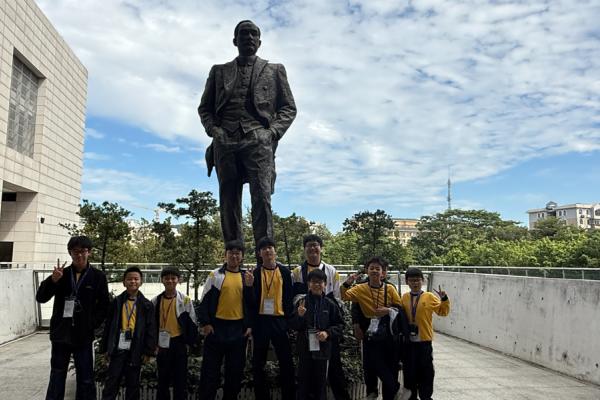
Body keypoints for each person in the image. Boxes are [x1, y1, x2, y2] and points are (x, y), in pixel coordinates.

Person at [198, 20, 297, 249]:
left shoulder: (275, 70)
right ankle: (233, 252)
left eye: (253, 34)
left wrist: (271, 133)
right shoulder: (218, 71)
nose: (249, 38)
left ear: (260, 42)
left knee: (262, 196)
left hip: (259, 140)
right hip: (225, 140)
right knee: (228, 199)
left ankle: (265, 253)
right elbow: (205, 108)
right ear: (235, 40)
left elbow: (288, 108)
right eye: (244, 34)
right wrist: (215, 131)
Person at [36, 235, 109, 400]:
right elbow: (41, 298)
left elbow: (104, 305)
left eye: (83, 251)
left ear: (89, 252)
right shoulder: (61, 274)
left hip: (83, 335)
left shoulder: (98, 276)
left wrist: (91, 324)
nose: (79, 255)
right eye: (75, 251)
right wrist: (53, 281)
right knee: (57, 374)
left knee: (86, 377)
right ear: (70, 253)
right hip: (61, 333)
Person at [342, 257, 410, 400]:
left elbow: (399, 308)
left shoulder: (389, 288)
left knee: (389, 364)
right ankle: (391, 389)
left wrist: (387, 310)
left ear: (383, 273)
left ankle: (390, 394)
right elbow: (343, 296)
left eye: (377, 268)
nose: (374, 271)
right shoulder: (360, 288)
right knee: (372, 363)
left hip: (388, 331)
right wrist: (347, 283)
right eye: (371, 268)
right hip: (369, 330)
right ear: (367, 271)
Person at [292, 234, 350, 400]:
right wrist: (300, 315)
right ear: (304, 249)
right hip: (306, 333)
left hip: (326, 328)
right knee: (305, 376)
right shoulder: (297, 272)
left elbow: (337, 298)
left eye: (315, 245)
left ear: (321, 248)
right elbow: (294, 302)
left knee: (333, 368)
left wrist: (329, 331)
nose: (312, 248)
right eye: (309, 245)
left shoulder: (332, 271)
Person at [197, 240, 255, 400]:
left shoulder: (246, 276)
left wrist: (249, 325)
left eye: (237, 253)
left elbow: (251, 304)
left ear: (242, 257)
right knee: (209, 373)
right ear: (225, 255)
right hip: (216, 328)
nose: (234, 256)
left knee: (234, 373)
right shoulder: (215, 275)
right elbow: (204, 301)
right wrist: (206, 323)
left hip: (238, 330)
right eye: (231, 253)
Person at [100, 267, 156, 400]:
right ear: (124, 282)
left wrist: (148, 351)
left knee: (133, 384)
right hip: (118, 349)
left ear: (141, 282)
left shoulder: (147, 305)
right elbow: (109, 326)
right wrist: (105, 348)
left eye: (136, 279)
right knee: (112, 382)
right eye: (129, 279)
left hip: (136, 349)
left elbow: (151, 329)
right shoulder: (117, 302)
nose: (133, 281)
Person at [251, 237, 295, 400]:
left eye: (270, 247)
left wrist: (288, 321)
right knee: (258, 363)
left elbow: (289, 297)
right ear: (259, 253)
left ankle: (288, 396)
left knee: (286, 361)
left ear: (275, 251)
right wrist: (249, 286)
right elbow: (250, 300)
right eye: (264, 248)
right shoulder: (255, 273)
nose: (268, 250)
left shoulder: (284, 272)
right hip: (261, 321)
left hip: (279, 320)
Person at [290, 269, 344, 400]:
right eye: (313, 282)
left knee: (320, 385)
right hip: (304, 349)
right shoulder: (301, 302)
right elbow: (293, 326)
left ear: (325, 284)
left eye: (320, 282)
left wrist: (327, 333)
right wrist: (300, 316)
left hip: (323, 350)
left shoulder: (330, 304)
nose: (316, 285)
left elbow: (340, 325)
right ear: (308, 284)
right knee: (303, 384)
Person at [400, 267, 450, 400]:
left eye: (417, 280)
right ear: (407, 282)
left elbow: (443, 312)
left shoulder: (429, 296)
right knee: (410, 372)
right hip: (409, 343)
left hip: (424, 342)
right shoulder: (404, 297)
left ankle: (426, 397)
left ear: (423, 281)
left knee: (426, 372)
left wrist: (444, 299)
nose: (415, 283)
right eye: (412, 280)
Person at [151, 267, 199, 400]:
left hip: (179, 343)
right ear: (162, 280)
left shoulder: (185, 300)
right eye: (167, 278)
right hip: (162, 344)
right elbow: (151, 325)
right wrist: (153, 344)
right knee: (163, 379)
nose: (170, 281)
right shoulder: (155, 301)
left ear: (178, 280)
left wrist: (189, 343)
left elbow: (192, 323)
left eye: (173, 278)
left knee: (180, 379)